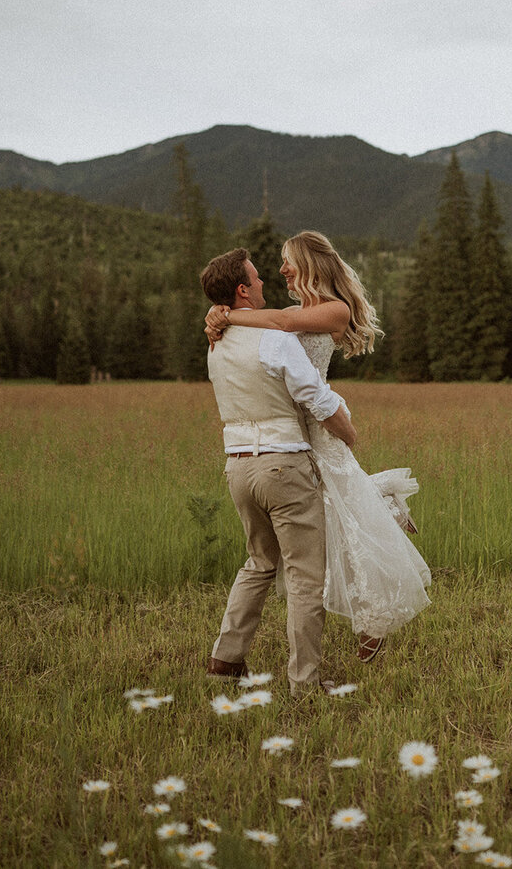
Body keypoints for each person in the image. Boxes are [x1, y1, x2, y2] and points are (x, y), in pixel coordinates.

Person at [205, 230, 431, 664]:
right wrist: (221, 313)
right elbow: (273, 325)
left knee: (346, 521)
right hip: (289, 435)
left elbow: (282, 324)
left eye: (288, 260)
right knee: (330, 523)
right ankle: (386, 509)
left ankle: (372, 618)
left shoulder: (334, 310)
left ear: (311, 264)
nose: (281, 269)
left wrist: (226, 316)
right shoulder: (286, 313)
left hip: (317, 430)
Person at [200, 247, 357, 697]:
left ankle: (225, 660)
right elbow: (315, 395)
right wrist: (346, 432)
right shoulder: (274, 336)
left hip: (237, 468)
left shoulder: (216, 340)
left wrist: (220, 316)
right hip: (284, 465)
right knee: (306, 576)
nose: (266, 282)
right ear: (243, 290)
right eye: (256, 277)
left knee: (259, 562)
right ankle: (304, 683)